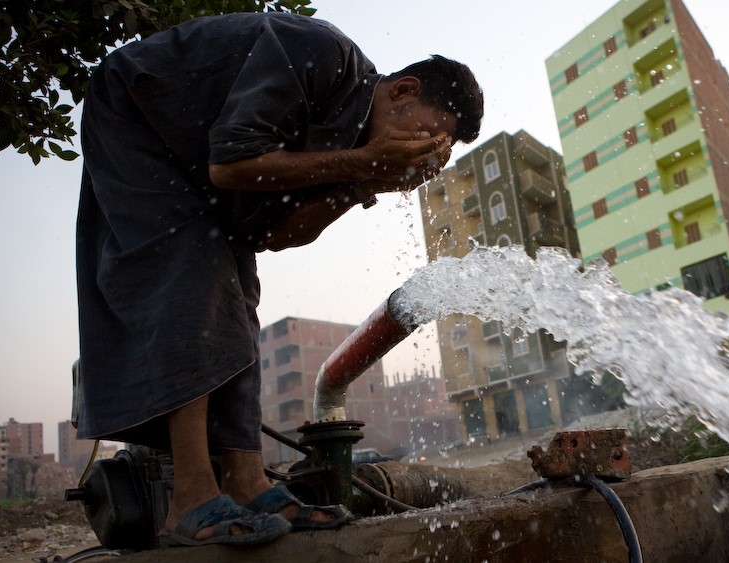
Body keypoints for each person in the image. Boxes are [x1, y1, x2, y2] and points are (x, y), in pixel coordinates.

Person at [74, 11, 483, 547]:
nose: (426, 153)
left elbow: (279, 234)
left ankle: (246, 479)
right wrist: (362, 161)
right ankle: (190, 496)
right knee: (188, 266)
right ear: (403, 91)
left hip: (204, 165)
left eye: (436, 152)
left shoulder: (353, 141)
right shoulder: (322, 55)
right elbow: (231, 165)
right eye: (427, 136)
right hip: (138, 111)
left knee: (239, 294)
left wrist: (367, 178)